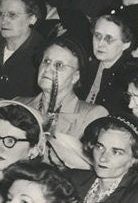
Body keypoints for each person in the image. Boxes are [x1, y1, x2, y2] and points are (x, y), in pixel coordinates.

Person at [19, 36, 107, 168]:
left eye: (59, 65)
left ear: (75, 77)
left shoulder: (92, 115)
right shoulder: (18, 105)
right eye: (46, 61)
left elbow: (90, 169)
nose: (48, 69)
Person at [78, 5, 138, 115]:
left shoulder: (131, 78)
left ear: (126, 44)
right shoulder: (86, 65)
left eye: (109, 39)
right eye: (97, 36)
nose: (100, 43)